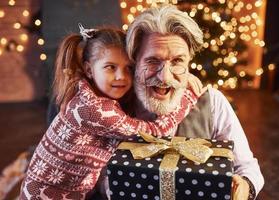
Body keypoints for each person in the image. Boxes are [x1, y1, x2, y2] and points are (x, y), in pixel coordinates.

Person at [19, 24, 205, 199]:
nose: (121, 77)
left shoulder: (86, 91)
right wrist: (187, 95)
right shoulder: (94, 111)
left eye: (129, 69)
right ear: (89, 69)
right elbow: (155, 133)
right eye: (110, 67)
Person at [124, 5, 264, 200]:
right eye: (153, 61)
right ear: (134, 61)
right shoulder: (113, 105)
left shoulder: (213, 103)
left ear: (189, 62)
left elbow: (247, 167)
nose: (164, 77)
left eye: (177, 61)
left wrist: (245, 186)